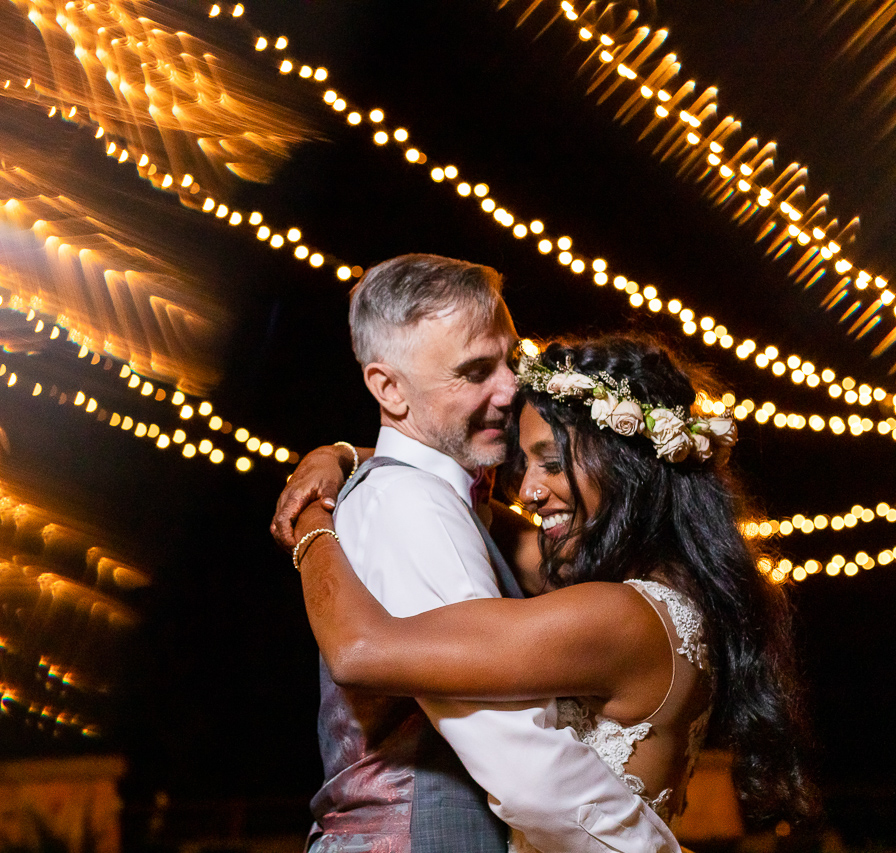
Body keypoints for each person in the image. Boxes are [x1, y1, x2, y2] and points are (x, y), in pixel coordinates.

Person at [278, 333, 819, 848]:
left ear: (626, 465)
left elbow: (360, 652)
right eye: (526, 463)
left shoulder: (619, 617)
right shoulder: (666, 593)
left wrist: (311, 523)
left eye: (552, 463)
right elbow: (462, 499)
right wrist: (342, 456)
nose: (529, 491)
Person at [280, 253, 684, 853]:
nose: (510, 389)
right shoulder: (409, 503)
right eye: (474, 373)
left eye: (511, 361)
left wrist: (344, 454)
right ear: (388, 388)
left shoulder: (439, 498)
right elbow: (519, 757)